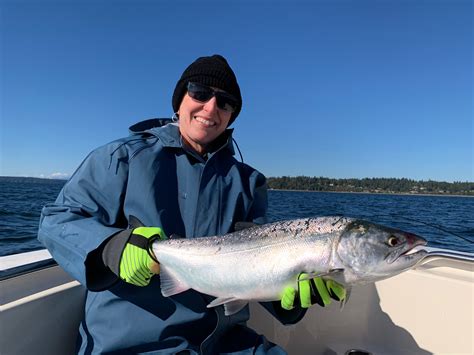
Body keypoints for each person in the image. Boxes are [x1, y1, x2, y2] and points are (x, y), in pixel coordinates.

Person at [38, 54, 345, 354]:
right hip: (133, 343)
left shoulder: (249, 183)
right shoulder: (122, 157)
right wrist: (111, 247)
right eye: (200, 93)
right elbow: (58, 220)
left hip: (226, 342)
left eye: (225, 102)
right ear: (179, 100)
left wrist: (291, 291)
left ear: (232, 115)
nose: (211, 108)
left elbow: (257, 262)